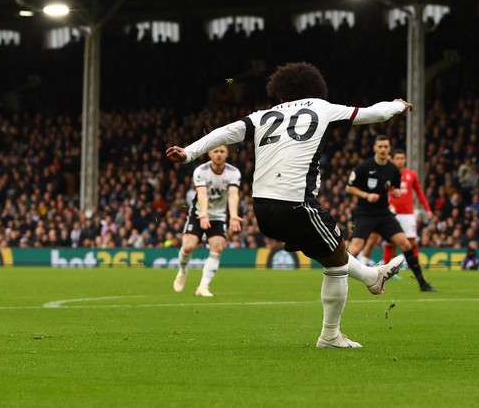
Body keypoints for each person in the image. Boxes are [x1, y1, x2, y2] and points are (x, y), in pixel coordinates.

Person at [166, 61, 408, 349]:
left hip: (262, 209)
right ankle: (332, 334)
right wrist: (397, 105)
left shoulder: (263, 115)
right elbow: (376, 113)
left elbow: (226, 131)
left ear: (281, 94)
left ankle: (372, 277)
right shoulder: (323, 107)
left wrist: (190, 152)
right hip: (296, 203)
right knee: (337, 259)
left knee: (333, 251)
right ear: (315, 87)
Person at [346, 136, 436, 292]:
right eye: (380, 146)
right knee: (355, 249)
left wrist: (395, 192)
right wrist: (366, 196)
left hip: (383, 213)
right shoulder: (363, 167)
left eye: (386, 147)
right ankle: (338, 279)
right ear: (375, 148)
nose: (383, 150)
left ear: (389, 149)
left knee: (406, 244)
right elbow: (349, 188)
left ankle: (422, 283)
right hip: (364, 213)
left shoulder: (393, 170)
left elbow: (394, 188)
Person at [172, 144, 242, 297]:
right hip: (198, 214)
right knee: (188, 247)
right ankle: (182, 271)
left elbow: (233, 195)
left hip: (218, 216)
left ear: (227, 154)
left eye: (222, 151)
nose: (218, 154)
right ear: (209, 154)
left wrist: (234, 215)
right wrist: (203, 214)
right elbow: (202, 194)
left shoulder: (234, 173)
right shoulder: (201, 171)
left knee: (217, 249)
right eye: (215, 151)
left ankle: (203, 286)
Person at [385, 147, 433, 266]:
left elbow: (420, 193)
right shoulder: (387, 174)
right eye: (397, 158)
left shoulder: (411, 174)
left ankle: (416, 270)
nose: (400, 161)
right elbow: (382, 193)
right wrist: (388, 205)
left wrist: (428, 209)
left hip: (408, 215)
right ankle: (386, 270)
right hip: (392, 214)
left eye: (402, 158)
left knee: (412, 243)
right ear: (393, 160)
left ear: (405, 160)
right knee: (390, 243)